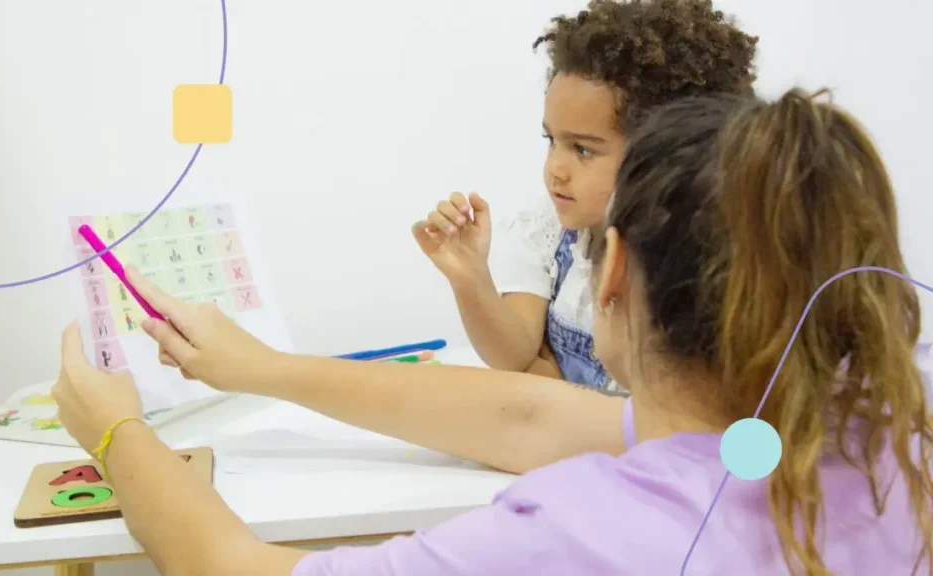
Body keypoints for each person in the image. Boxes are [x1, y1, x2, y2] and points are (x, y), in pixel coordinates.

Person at [53, 90, 933, 574]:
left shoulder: (571, 536)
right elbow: (527, 416)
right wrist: (264, 368)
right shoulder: (878, 431)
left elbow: (229, 569)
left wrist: (116, 432)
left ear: (613, 266)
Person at [412, 0, 757, 390]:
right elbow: (513, 355)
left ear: (665, 155)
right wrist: (470, 279)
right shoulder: (552, 230)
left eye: (583, 149)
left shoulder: (690, 269)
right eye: (551, 140)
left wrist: (546, 377)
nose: (554, 168)